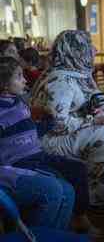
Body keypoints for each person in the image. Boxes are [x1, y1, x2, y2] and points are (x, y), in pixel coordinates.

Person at [30, 30, 104, 238]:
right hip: (51, 138)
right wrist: (93, 120)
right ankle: (99, 199)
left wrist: (98, 111)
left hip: (69, 130)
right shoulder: (61, 80)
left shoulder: (78, 74)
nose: (94, 49)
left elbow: (91, 103)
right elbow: (57, 123)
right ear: (75, 51)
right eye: (87, 45)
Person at [0, 56, 75, 229]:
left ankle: (53, 236)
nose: (25, 80)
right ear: (4, 84)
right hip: (10, 170)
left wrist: (48, 125)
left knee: (69, 191)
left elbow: (27, 133)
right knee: (54, 190)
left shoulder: (18, 103)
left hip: (28, 161)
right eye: (19, 76)